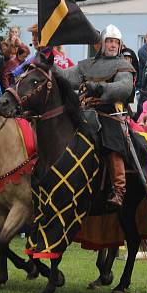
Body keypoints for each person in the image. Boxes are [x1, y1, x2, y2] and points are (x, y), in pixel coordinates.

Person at [54, 24, 134, 209]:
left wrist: (100, 88)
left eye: (116, 42)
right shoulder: (87, 64)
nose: (113, 45)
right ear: (102, 44)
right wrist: (50, 63)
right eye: (110, 41)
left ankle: (118, 189)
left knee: (112, 141)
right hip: (84, 111)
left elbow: (124, 87)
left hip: (109, 112)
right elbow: (66, 78)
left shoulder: (123, 65)